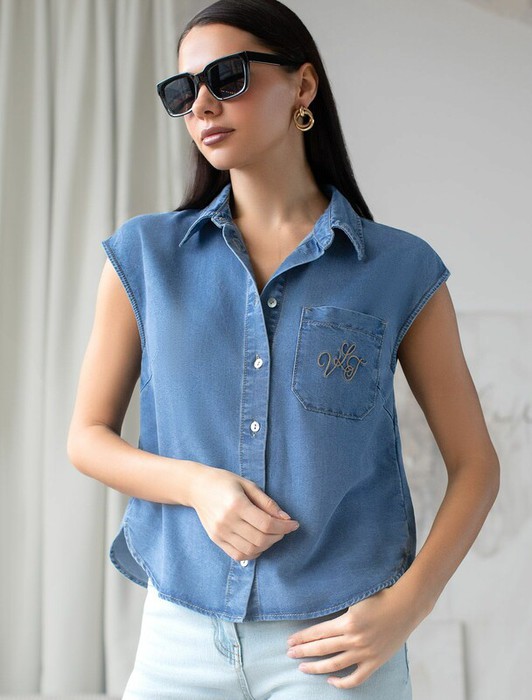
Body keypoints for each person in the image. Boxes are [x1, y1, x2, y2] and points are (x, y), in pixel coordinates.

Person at [67, 0, 500, 697]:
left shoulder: (400, 269)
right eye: (183, 91)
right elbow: (86, 438)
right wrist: (198, 486)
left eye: (227, 77)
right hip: (178, 639)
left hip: (338, 647)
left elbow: (476, 465)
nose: (202, 105)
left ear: (303, 85)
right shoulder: (144, 257)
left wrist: (408, 606)